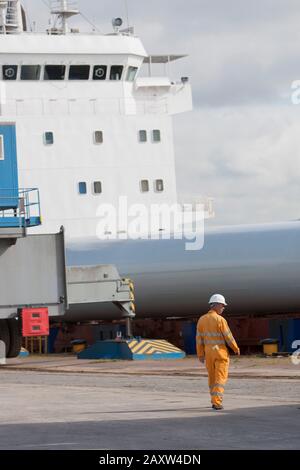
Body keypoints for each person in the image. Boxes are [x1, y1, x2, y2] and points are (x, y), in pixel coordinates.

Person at [196, 294, 240, 410]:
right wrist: (235, 348)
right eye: (223, 305)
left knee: (212, 377)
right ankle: (217, 402)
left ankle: (213, 399)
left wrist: (200, 354)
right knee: (220, 378)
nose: (223, 308)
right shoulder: (220, 319)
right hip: (219, 352)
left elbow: (199, 339)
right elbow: (228, 337)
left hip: (208, 352)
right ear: (217, 305)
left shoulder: (202, 319)